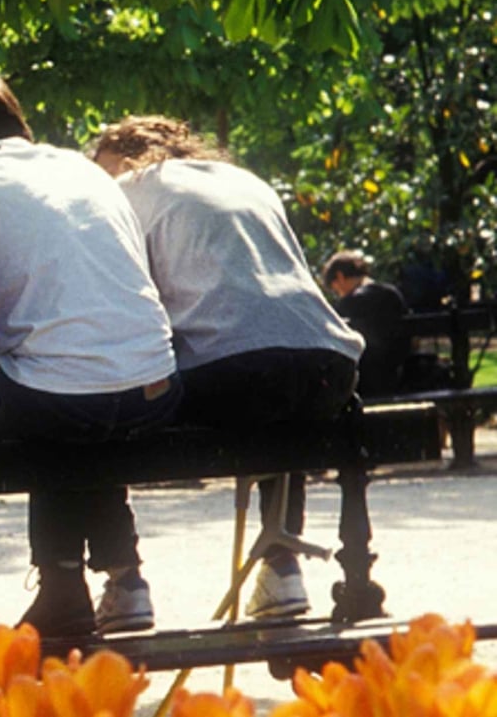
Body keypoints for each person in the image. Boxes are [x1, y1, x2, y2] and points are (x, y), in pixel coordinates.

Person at [0, 66, 180, 637]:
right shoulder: (76, 165)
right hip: (155, 385)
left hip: (64, 401)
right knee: (71, 381)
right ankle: (106, 580)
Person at [91, 115, 365, 618]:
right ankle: (282, 568)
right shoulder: (245, 181)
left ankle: (124, 578)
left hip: (235, 371)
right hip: (330, 363)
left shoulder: (124, 190)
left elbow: (127, 302)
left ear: (124, 157)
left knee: (91, 409)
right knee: (280, 395)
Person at [322, 250, 412, 398]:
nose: (338, 294)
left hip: (364, 382)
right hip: (396, 374)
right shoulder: (393, 294)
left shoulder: (348, 304)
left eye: (335, 289)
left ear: (339, 276)